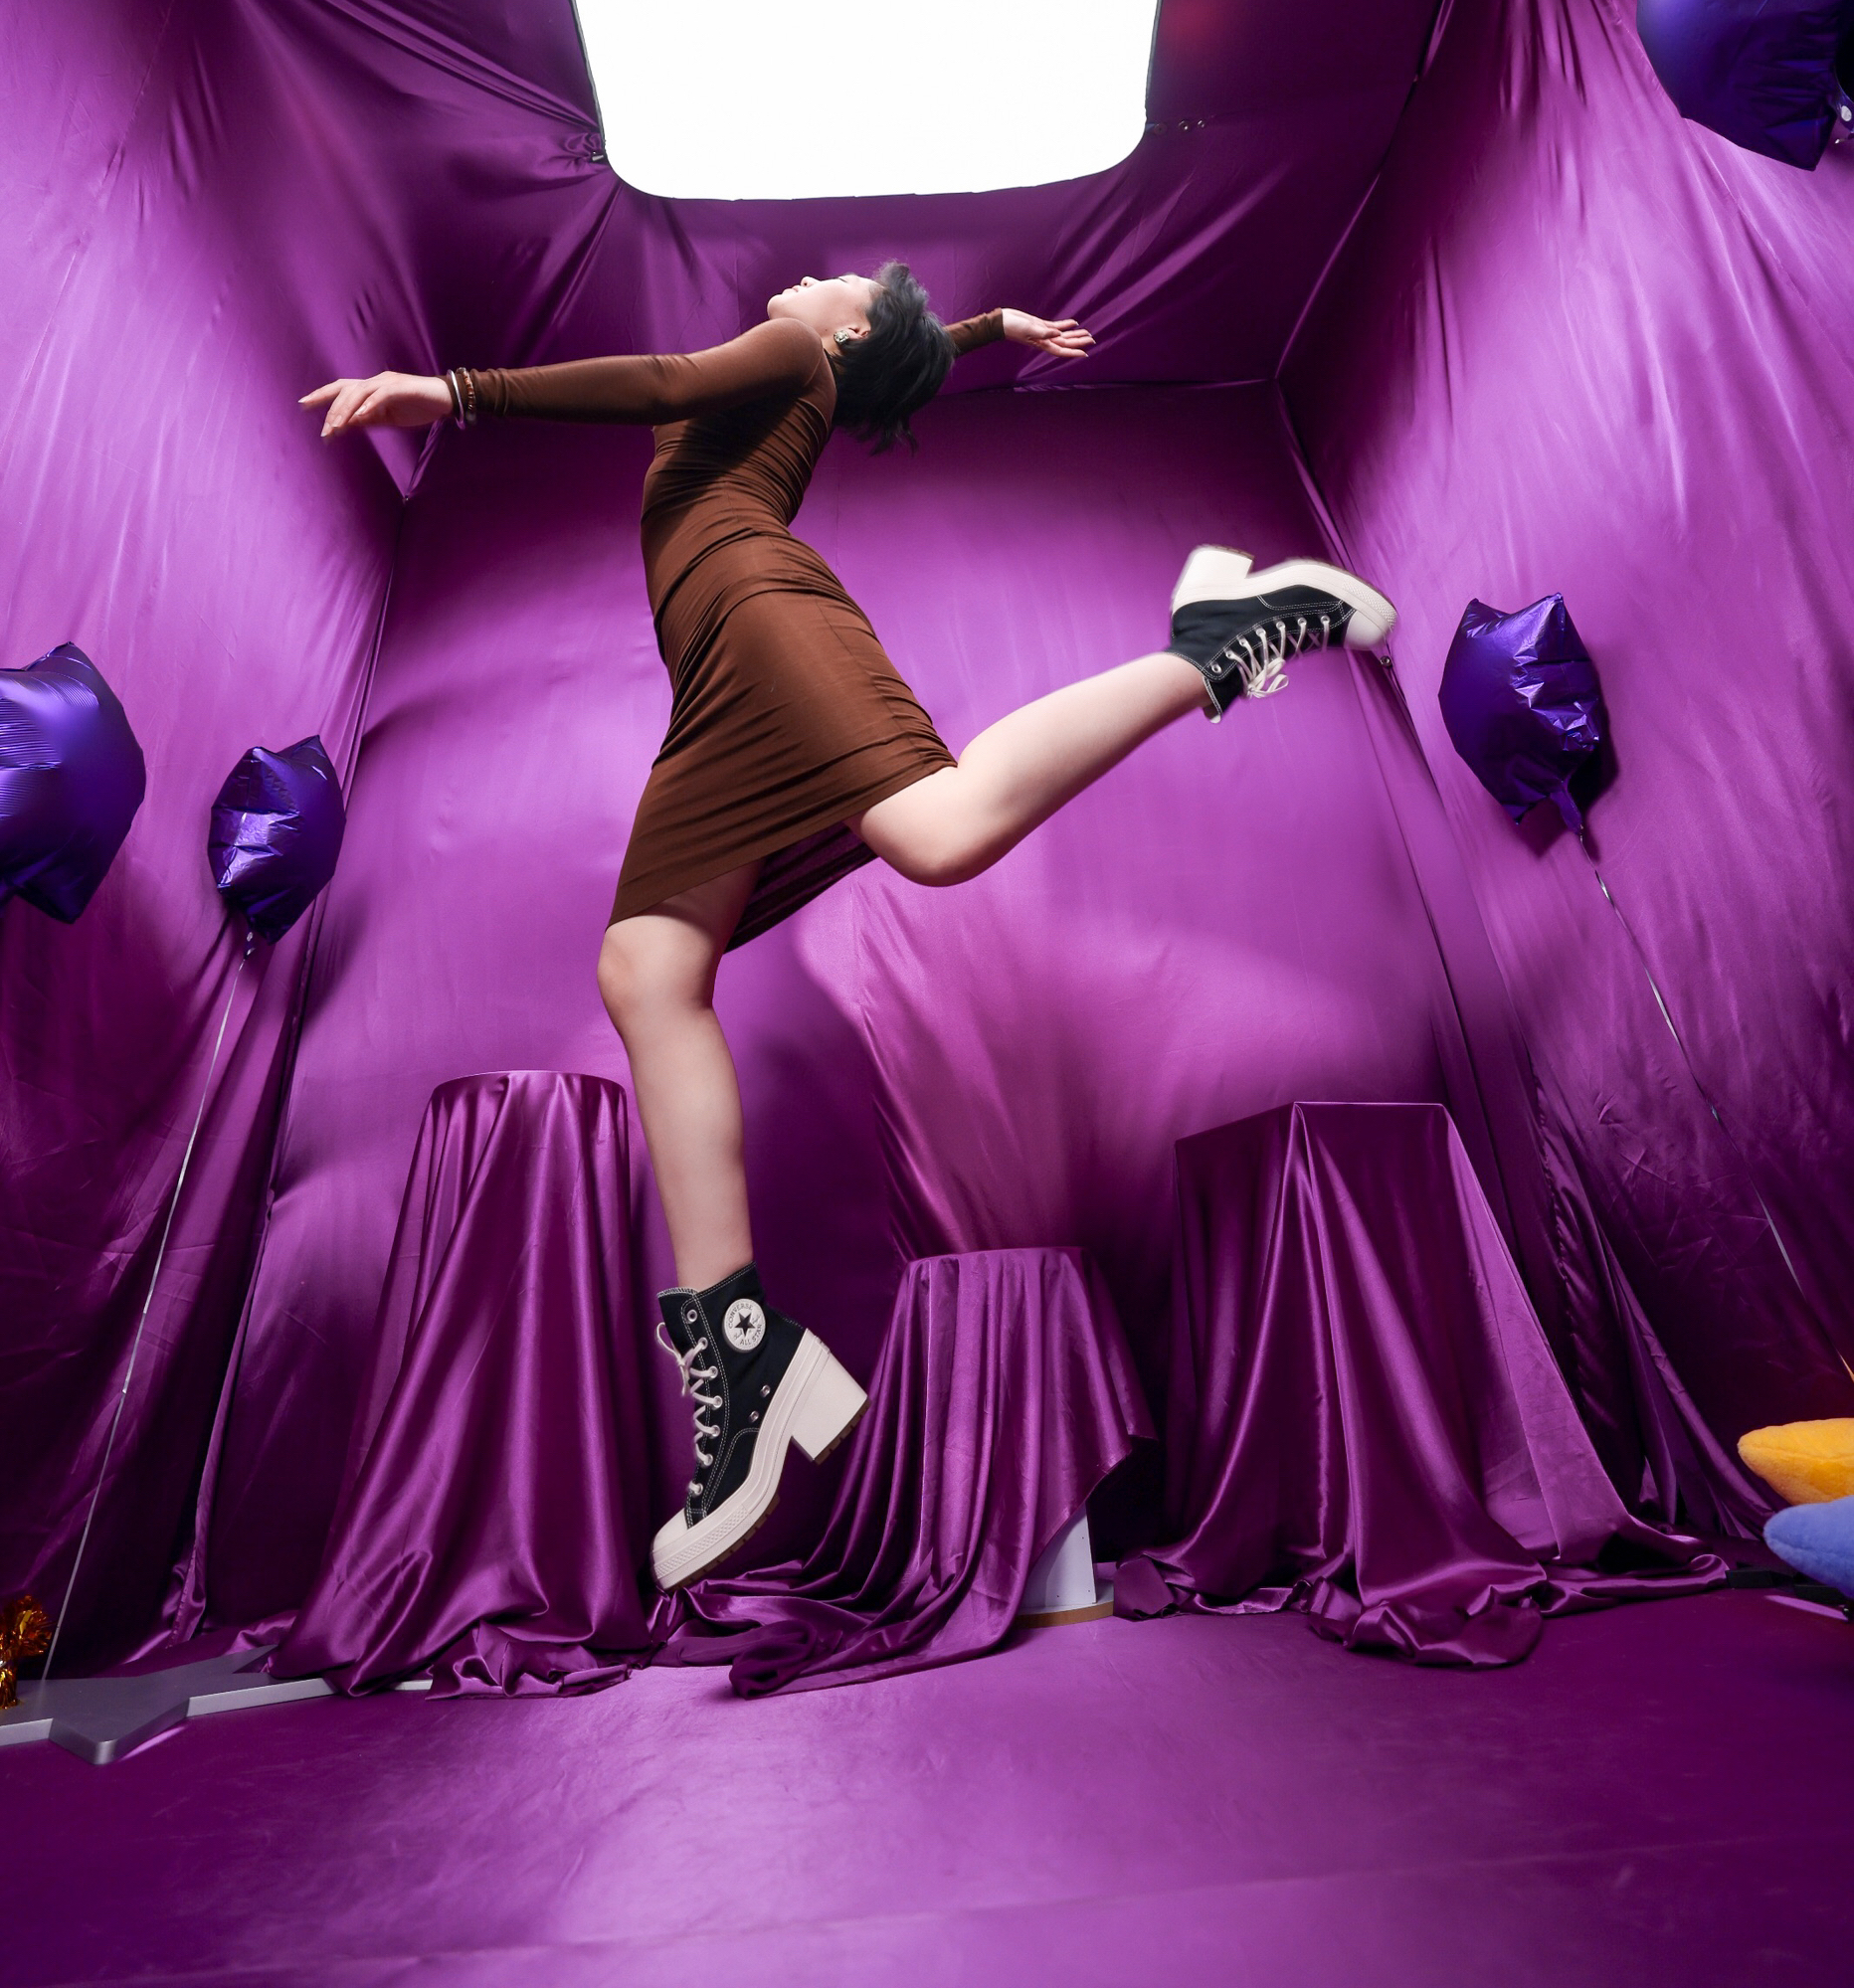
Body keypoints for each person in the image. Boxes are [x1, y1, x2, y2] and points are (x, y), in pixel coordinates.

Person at [302, 268, 1394, 1588]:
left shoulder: (785, 353)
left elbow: (666, 383)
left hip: (761, 618)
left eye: (841, 285)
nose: (814, 275)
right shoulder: (819, 358)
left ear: (848, 330)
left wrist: (456, 392)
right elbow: (871, 348)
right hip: (713, 670)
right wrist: (986, 332)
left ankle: (1214, 642)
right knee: (646, 968)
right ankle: (743, 1347)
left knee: (939, 832)